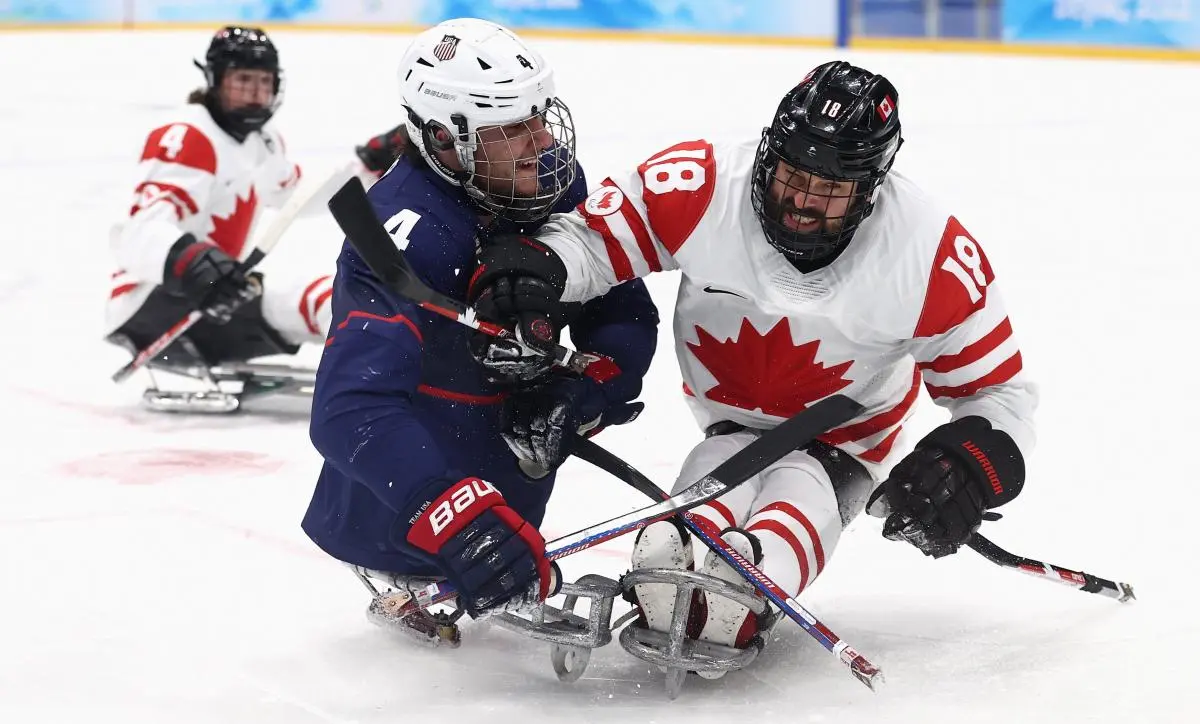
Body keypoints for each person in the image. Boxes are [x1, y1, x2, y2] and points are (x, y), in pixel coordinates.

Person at [466, 61, 1037, 673]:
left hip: (844, 446)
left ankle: (750, 571)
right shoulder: (703, 185)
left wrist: (967, 465)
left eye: (831, 190)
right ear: (768, 153)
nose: (801, 204)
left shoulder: (928, 255)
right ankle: (682, 556)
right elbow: (591, 242)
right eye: (793, 175)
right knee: (702, 498)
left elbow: (999, 394)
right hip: (728, 429)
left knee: (799, 492)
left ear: (871, 188)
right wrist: (537, 272)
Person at [302, 18, 659, 641]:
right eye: (513, 128)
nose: (543, 141)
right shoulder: (405, 233)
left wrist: (587, 389)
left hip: (510, 505)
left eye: (540, 117)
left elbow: (624, 314)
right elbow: (350, 410)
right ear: (445, 139)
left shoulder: (551, 183)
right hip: (405, 517)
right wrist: (455, 519)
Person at [105, 25, 412, 408]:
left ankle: (389, 362)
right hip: (155, 305)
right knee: (331, 295)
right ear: (215, 80)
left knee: (338, 293)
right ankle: (384, 374)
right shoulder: (188, 137)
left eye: (263, 81)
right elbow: (138, 234)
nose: (254, 92)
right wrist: (197, 263)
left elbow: (296, 197)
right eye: (242, 79)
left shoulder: (261, 140)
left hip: (217, 297)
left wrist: (367, 164)